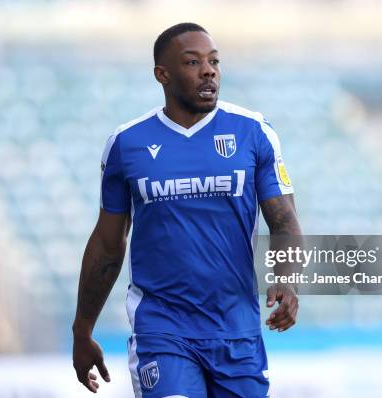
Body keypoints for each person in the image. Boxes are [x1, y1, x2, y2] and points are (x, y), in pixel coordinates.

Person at [72, 22, 302, 397]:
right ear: (162, 74)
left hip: (236, 330)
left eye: (214, 61)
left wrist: (287, 278)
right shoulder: (126, 144)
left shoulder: (253, 132)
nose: (208, 70)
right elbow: (108, 244)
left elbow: (284, 220)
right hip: (162, 330)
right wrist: (82, 330)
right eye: (193, 62)